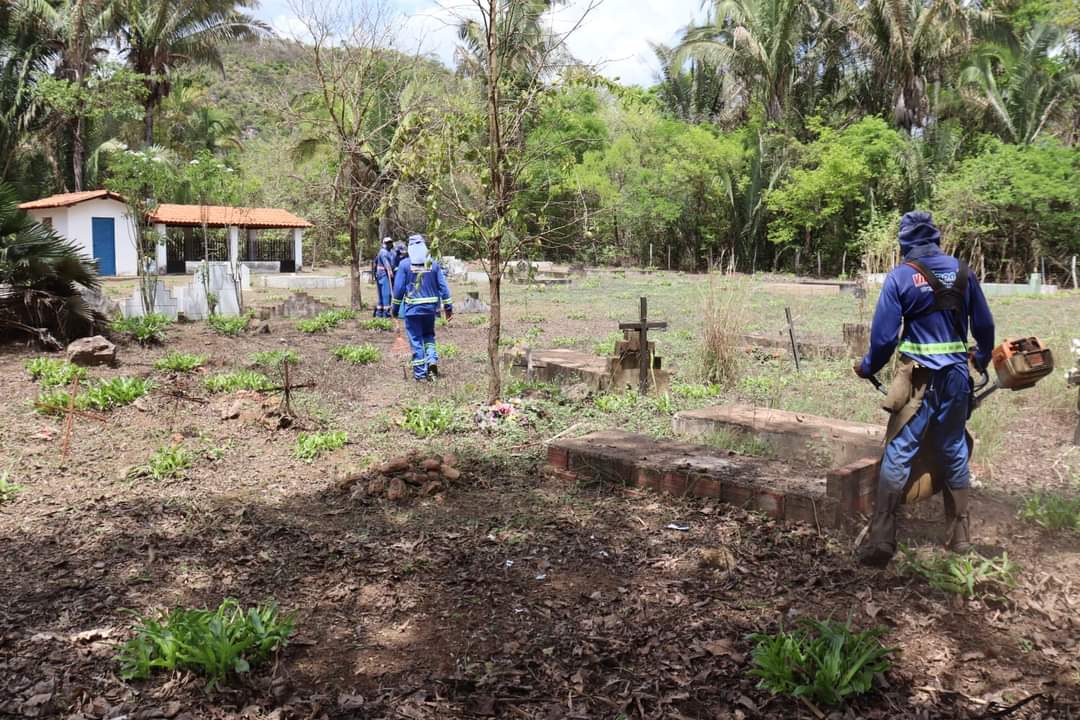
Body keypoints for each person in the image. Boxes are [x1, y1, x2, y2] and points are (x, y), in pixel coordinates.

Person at [853, 211, 994, 567]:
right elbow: (985, 324)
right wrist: (983, 356)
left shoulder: (900, 277)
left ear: (904, 243)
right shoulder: (963, 273)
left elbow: (884, 338)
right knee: (953, 447)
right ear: (936, 238)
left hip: (917, 380)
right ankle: (960, 537)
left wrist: (866, 366)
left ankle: (882, 538)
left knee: (900, 450)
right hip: (957, 378)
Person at [391, 234, 453, 381]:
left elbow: (398, 290)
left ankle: (420, 374)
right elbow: (443, 287)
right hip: (431, 309)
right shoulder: (434, 264)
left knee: (416, 339)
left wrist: (394, 309)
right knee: (429, 336)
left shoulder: (405, 265)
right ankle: (431, 362)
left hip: (413, 310)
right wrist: (448, 307)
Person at [373, 237, 396, 318]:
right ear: (384, 244)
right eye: (387, 243)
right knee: (386, 294)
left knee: (383, 294)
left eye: (390, 242)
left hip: (382, 274)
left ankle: (380, 312)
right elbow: (386, 263)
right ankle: (385, 312)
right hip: (383, 274)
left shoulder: (391, 252)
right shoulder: (383, 252)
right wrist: (389, 271)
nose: (389, 244)